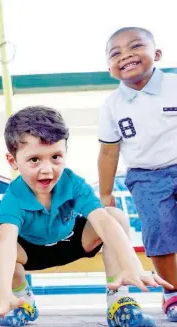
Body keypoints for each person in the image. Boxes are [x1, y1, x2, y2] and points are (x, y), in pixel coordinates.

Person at [0, 106, 171, 327]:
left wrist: (132, 265)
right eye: (34, 160)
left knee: (115, 216)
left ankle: (118, 299)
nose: (47, 169)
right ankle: (22, 301)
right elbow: (7, 244)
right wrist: (0, 296)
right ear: (13, 162)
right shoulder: (13, 198)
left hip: (73, 241)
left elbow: (104, 222)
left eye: (56, 157)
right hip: (32, 251)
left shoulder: (72, 183)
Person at [98, 26, 177, 322]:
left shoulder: (174, 85)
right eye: (115, 53)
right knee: (158, 233)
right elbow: (108, 152)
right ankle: (172, 291)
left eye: (134, 47)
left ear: (156, 54)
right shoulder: (111, 106)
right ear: (109, 68)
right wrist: (105, 193)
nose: (126, 55)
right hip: (146, 177)